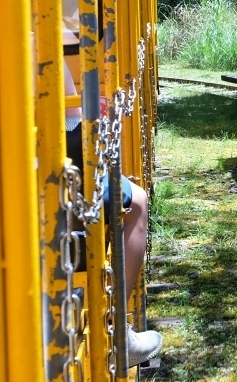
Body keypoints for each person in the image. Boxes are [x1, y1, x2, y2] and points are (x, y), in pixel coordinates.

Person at [60, 27, 163, 366]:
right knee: (137, 200)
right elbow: (74, 133)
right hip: (47, 176)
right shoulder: (43, 34)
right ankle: (117, 330)